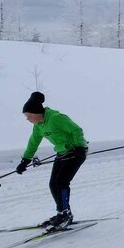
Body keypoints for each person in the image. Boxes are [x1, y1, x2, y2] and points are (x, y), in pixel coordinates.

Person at [15, 92, 88, 229]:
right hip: (62, 152)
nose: (28, 119)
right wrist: (25, 161)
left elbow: (77, 130)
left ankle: (65, 214)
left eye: (29, 116)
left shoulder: (55, 118)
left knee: (61, 182)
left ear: (37, 113)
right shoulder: (38, 126)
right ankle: (62, 212)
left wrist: (79, 146)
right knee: (53, 184)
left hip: (75, 152)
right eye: (26, 116)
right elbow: (33, 143)